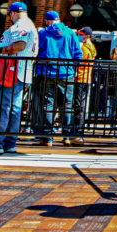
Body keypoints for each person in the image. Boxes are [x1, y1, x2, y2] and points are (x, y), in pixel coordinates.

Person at [0, 2, 37, 155]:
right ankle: (8, 143)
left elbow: (20, 45)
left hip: (11, 71)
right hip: (17, 71)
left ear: (12, 13)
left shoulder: (21, 25)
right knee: (13, 108)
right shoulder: (29, 25)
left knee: (2, 107)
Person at [32, 10, 81, 146]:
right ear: (59, 19)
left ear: (47, 21)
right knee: (67, 105)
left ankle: (47, 137)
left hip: (46, 73)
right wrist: (73, 68)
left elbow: (35, 51)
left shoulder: (42, 33)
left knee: (48, 104)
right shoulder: (70, 33)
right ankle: (66, 136)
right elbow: (78, 53)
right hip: (66, 73)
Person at [71, 27, 96, 146]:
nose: (80, 37)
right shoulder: (92, 48)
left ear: (87, 36)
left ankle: (77, 131)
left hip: (80, 78)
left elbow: (78, 59)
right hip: (86, 79)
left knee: (78, 106)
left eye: (82, 35)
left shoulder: (85, 48)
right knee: (80, 105)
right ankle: (77, 130)